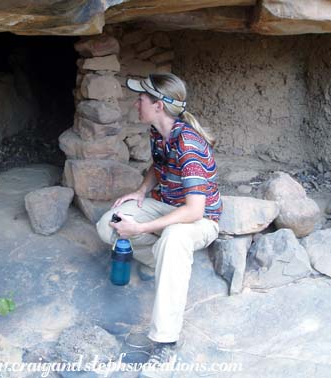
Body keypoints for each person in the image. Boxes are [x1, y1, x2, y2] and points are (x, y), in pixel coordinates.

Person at [96, 73, 222, 375]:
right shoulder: (159, 132)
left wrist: (139, 229)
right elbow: (159, 164)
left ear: (159, 106)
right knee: (109, 223)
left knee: (176, 237)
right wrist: (140, 191)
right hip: (166, 205)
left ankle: (165, 345)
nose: (136, 101)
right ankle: (161, 261)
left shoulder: (189, 144)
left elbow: (194, 210)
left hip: (200, 219)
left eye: (142, 97)